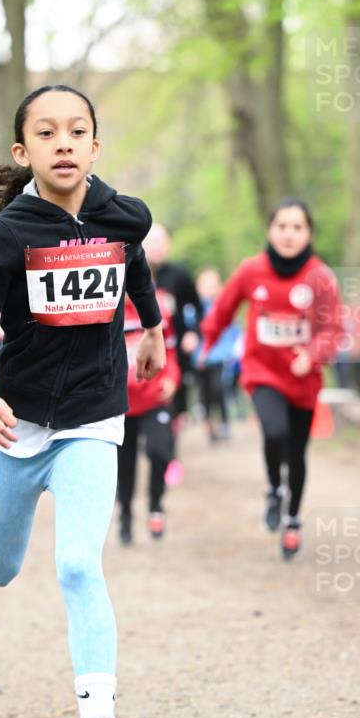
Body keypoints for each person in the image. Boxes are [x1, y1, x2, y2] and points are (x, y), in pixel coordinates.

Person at [0, 84, 166, 718]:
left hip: (93, 419)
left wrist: (153, 328)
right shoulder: (11, 234)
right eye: (47, 133)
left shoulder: (122, 216)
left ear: (95, 147)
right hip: (17, 424)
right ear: (24, 152)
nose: (63, 142)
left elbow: (132, 262)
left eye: (76, 131)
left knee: (77, 565)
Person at [201, 199, 342, 560]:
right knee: (274, 431)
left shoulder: (321, 277)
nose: (289, 234)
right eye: (282, 226)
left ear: (308, 233)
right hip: (262, 371)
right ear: (270, 230)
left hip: (303, 380)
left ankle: (293, 519)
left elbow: (332, 329)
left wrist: (311, 353)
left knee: (297, 453)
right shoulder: (252, 271)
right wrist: (206, 343)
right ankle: (273, 490)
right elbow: (223, 309)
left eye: (297, 227)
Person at [116, 285, 181, 544]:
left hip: (155, 398)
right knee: (125, 465)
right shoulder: (111, 312)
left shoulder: (159, 311)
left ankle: (155, 505)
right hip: (121, 404)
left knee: (160, 451)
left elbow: (172, 351)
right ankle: (126, 515)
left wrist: (173, 379)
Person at [142, 223, 202, 485]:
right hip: (142, 353)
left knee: (174, 405)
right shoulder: (134, 273)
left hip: (176, 353)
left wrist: (193, 332)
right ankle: (152, 446)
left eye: (160, 242)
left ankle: (170, 457)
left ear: (168, 245)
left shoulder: (179, 275)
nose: (156, 247)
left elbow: (197, 308)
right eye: (151, 241)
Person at [194, 267, 243, 442]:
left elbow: (233, 333)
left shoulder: (223, 307)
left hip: (220, 357)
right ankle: (210, 427)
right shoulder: (193, 309)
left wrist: (233, 353)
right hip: (199, 360)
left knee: (219, 389)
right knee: (204, 395)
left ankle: (224, 423)